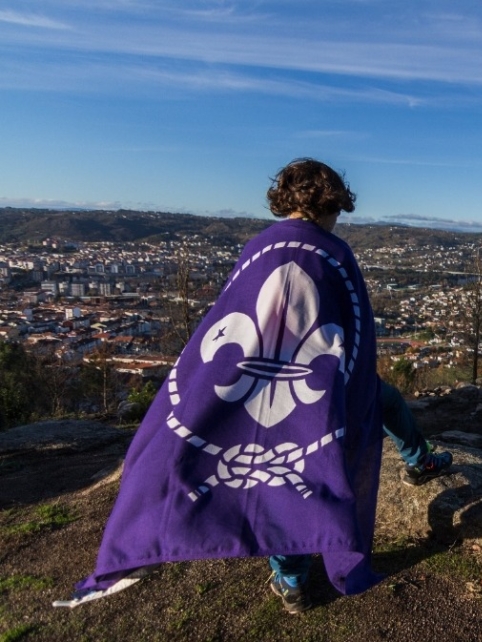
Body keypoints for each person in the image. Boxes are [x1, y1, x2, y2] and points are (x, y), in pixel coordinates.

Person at [61, 158, 451, 614]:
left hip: (250, 380)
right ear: (332, 200)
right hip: (315, 382)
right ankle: (415, 464)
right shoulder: (335, 253)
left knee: (286, 465)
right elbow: (353, 331)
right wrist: (349, 379)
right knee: (327, 442)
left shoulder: (258, 246)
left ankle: (292, 578)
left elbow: (224, 320)